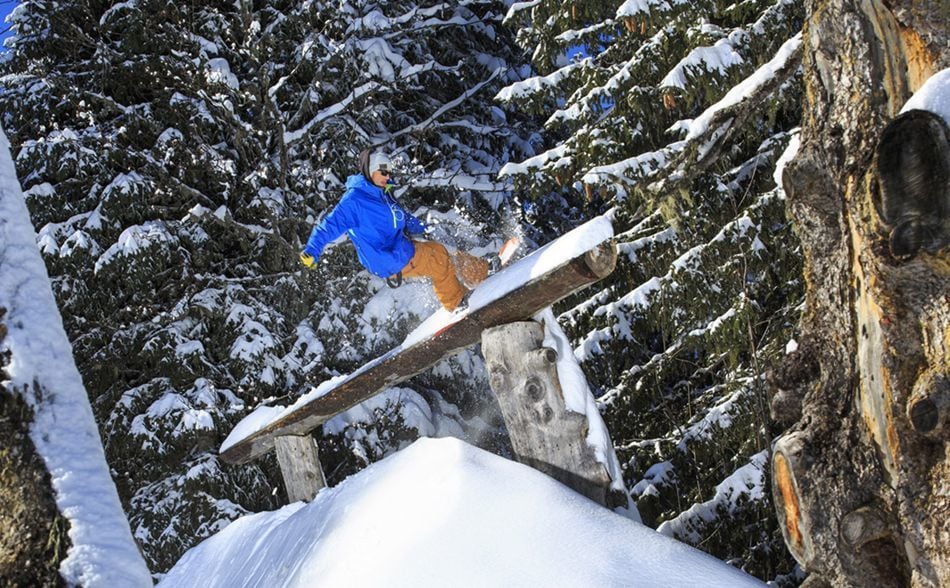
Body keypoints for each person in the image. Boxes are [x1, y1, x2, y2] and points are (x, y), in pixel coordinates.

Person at [299, 150, 490, 311]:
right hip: (386, 256)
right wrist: (312, 250)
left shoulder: (382, 194)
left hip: (399, 247)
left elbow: (401, 218)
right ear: (370, 171)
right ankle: (457, 303)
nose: (387, 177)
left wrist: (421, 228)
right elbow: (329, 226)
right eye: (383, 172)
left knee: (441, 250)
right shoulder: (354, 201)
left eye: (389, 173)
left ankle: (481, 273)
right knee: (437, 258)